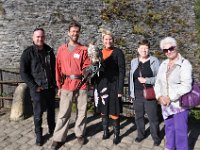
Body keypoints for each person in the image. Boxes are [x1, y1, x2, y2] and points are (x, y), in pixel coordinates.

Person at [51, 21, 91, 149]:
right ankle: (58, 137)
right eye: (72, 31)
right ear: (68, 33)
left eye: (77, 31)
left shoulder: (84, 49)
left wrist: (90, 69)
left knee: (82, 111)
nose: (75, 33)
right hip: (66, 84)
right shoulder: (62, 49)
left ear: (79, 33)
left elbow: (87, 66)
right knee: (63, 112)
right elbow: (57, 68)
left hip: (82, 84)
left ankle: (79, 133)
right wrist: (59, 85)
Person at [154, 37, 192, 150]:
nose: (168, 51)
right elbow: (157, 83)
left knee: (181, 132)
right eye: (165, 50)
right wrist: (159, 96)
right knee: (169, 129)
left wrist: (170, 97)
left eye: (171, 48)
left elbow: (186, 86)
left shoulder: (185, 64)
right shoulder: (164, 64)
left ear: (176, 47)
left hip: (178, 105)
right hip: (165, 105)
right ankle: (169, 147)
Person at [20, 28, 56, 146]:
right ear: (33, 38)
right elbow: (23, 72)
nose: (40, 39)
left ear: (44, 37)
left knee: (51, 111)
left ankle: (52, 129)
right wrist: (34, 86)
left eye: (42, 36)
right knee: (38, 113)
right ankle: (39, 135)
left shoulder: (49, 51)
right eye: (37, 37)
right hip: (37, 89)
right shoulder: (28, 53)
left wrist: (56, 84)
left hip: (50, 87)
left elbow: (54, 68)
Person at [94, 29, 125, 144]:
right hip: (102, 84)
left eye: (110, 39)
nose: (108, 41)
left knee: (114, 110)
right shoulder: (99, 53)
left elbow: (122, 71)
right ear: (103, 40)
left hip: (114, 85)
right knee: (103, 109)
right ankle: (105, 131)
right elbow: (96, 70)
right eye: (106, 39)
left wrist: (120, 88)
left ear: (113, 40)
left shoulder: (118, 52)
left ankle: (117, 134)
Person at [129, 39, 161, 146]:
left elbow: (160, 78)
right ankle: (141, 134)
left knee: (153, 117)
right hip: (137, 93)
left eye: (146, 48)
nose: (144, 50)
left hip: (150, 92)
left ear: (149, 49)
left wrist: (147, 80)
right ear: (138, 49)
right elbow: (131, 78)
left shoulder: (154, 61)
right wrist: (131, 93)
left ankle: (156, 137)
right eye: (142, 48)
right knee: (138, 116)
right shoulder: (134, 61)